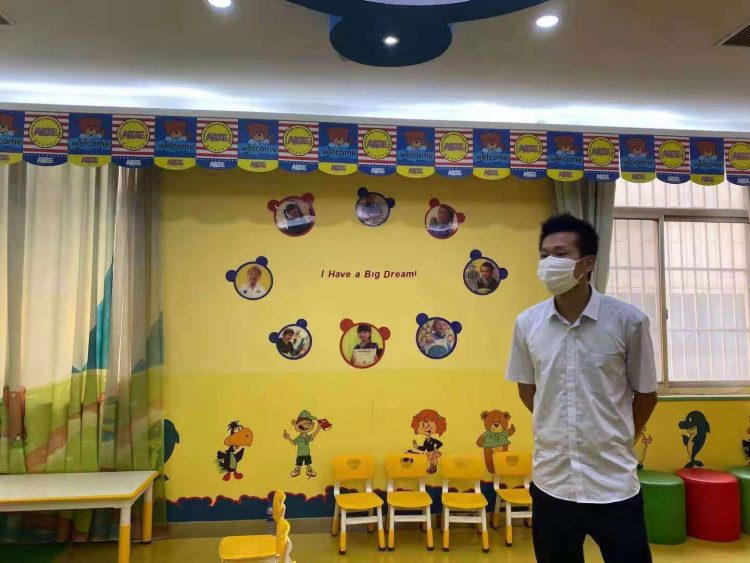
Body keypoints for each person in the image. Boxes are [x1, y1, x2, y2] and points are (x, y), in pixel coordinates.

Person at [506, 213, 658, 563]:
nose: (549, 263)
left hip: (613, 484)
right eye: (544, 255)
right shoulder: (527, 324)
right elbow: (527, 389)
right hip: (552, 482)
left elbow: (646, 394)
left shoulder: (628, 321)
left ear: (587, 263)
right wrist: (556, 422)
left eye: (560, 254)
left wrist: (619, 436)